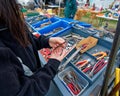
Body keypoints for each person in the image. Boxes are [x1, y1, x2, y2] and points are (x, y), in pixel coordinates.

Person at [0, 0, 67, 96]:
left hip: (36, 75)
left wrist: (47, 41)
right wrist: (51, 66)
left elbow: (26, 40)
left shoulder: (10, 23)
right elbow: (25, 92)